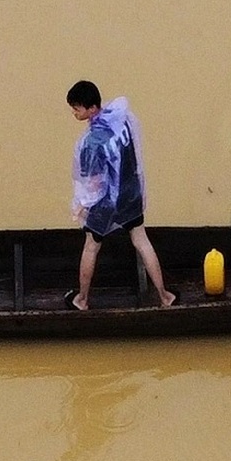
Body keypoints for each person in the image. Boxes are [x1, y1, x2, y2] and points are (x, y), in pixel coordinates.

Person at [65, 80, 175, 311]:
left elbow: (92, 183)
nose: (74, 113)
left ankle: (82, 299)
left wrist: (82, 206)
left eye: (77, 108)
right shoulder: (121, 119)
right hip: (131, 193)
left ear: (91, 109)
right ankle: (164, 296)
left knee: (91, 247)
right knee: (142, 241)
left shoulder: (90, 143)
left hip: (107, 204)